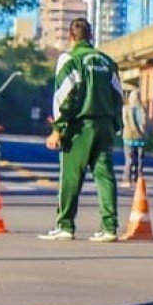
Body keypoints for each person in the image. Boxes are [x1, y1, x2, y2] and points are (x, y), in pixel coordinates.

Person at [41, 18, 125, 242]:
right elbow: (118, 96)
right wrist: (116, 124)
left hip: (80, 127)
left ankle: (65, 225)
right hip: (105, 125)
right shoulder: (108, 62)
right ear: (91, 36)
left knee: (71, 176)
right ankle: (109, 228)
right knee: (105, 176)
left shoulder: (69, 59)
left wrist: (58, 129)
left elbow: (64, 96)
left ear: (71, 37)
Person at [121, 83, 149, 184]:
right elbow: (145, 122)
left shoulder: (125, 109)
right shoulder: (142, 109)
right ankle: (138, 178)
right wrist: (143, 131)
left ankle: (127, 178)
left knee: (129, 159)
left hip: (128, 137)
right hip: (140, 137)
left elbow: (124, 122)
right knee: (140, 159)